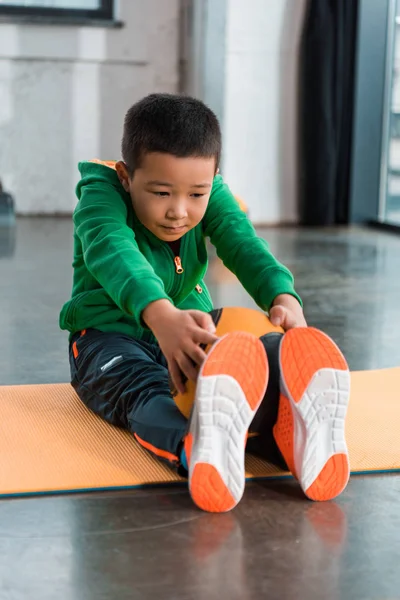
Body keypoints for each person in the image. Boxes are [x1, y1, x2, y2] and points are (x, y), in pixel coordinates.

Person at [60, 94, 350, 513]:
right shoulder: (100, 195)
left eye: (197, 194)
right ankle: (195, 446)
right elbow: (113, 252)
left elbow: (241, 239)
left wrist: (282, 296)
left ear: (214, 176)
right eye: (161, 192)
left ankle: (287, 427)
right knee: (144, 389)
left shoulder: (209, 191)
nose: (179, 211)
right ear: (126, 176)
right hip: (107, 338)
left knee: (262, 352)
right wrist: (162, 317)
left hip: (190, 329)